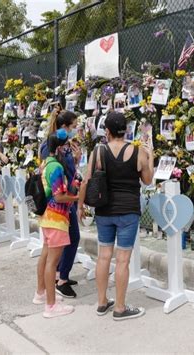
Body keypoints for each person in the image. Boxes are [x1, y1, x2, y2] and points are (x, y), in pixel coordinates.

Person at [78, 112, 154, 321]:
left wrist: (79, 206)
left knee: (103, 257)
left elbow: (86, 180)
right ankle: (120, 308)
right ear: (126, 130)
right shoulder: (137, 151)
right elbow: (147, 180)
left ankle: (102, 302)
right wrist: (151, 156)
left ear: (107, 131)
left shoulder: (99, 151)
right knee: (122, 260)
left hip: (104, 210)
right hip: (128, 211)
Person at [34, 129, 79, 318]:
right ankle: (50, 306)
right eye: (67, 147)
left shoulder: (46, 163)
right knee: (52, 262)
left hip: (47, 217)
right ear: (60, 148)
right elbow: (59, 196)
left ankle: (41, 293)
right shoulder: (57, 168)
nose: (68, 150)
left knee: (46, 257)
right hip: (57, 217)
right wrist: (78, 195)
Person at [39, 110, 81, 298]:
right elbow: (57, 184)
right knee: (69, 240)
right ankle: (59, 280)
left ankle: (55, 279)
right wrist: (75, 199)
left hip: (61, 203)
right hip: (58, 207)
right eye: (73, 126)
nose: (75, 130)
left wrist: (76, 160)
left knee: (61, 244)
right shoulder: (52, 152)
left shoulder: (61, 147)